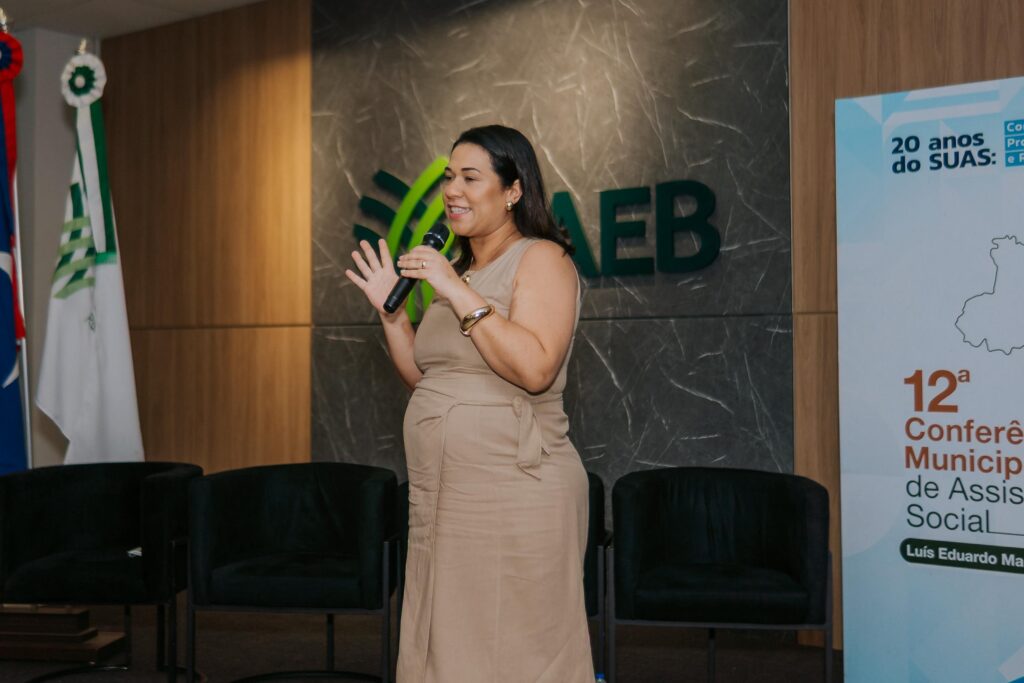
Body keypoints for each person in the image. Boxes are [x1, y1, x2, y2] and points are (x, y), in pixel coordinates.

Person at [345, 124, 594, 683]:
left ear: (512, 191)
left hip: (517, 489)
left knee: (517, 650)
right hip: (444, 495)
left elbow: (535, 369)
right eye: (448, 177)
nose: (452, 190)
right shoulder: (459, 272)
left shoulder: (541, 259)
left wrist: (455, 290)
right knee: (447, 644)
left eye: (470, 177)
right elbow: (429, 381)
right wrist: (391, 317)